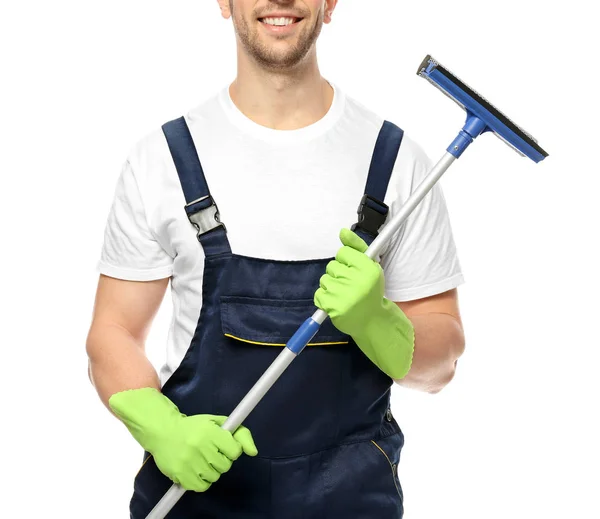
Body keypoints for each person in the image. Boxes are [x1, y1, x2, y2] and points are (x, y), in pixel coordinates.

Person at [86, 1, 466, 517]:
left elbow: (440, 365)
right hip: (197, 499)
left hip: (351, 501)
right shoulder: (162, 159)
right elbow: (112, 332)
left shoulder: (398, 163)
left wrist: (377, 321)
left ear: (330, 3)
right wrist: (158, 423)